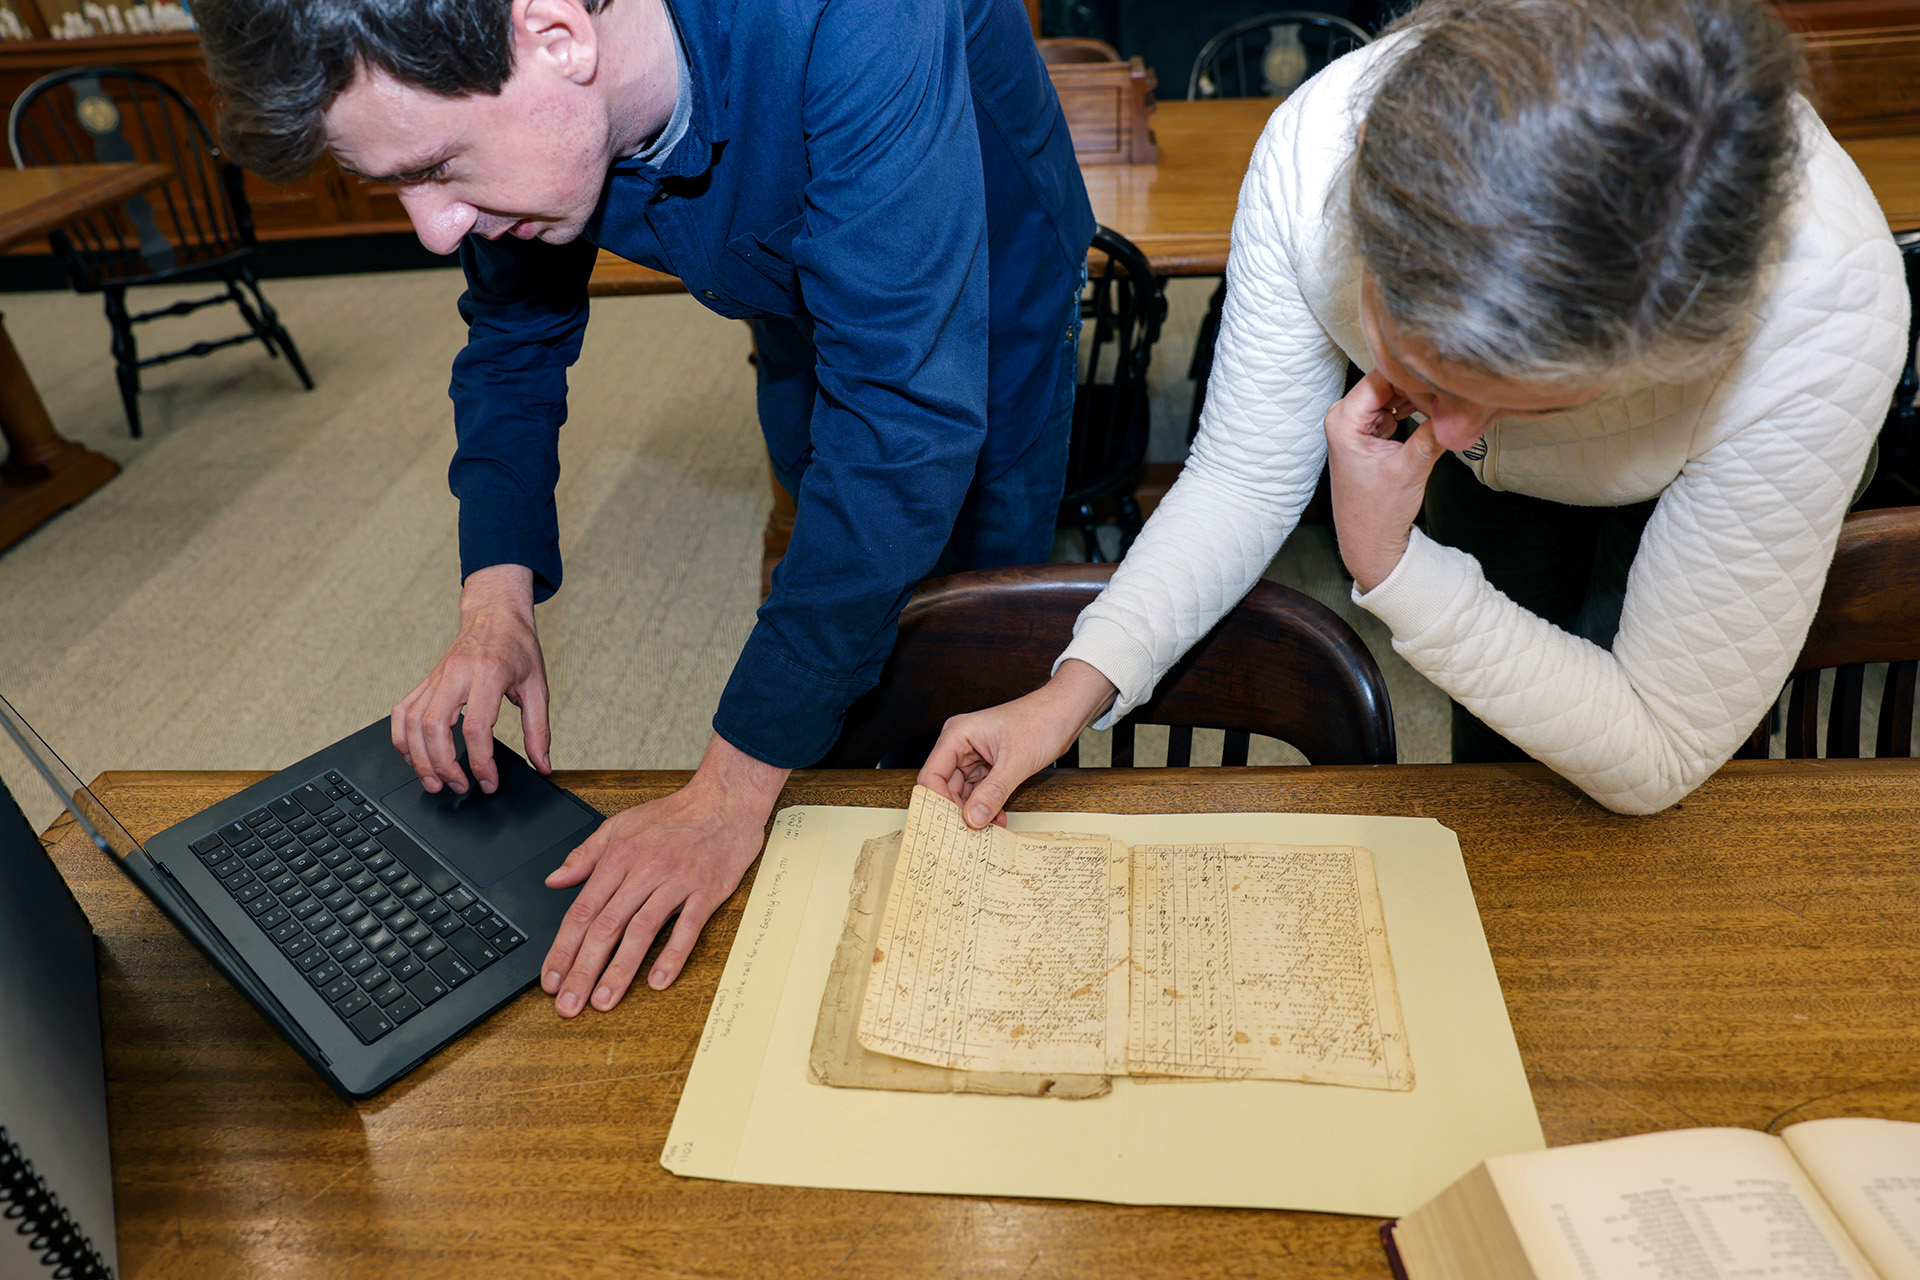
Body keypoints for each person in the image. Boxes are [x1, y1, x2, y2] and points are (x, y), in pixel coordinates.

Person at [193, 0, 1095, 1013]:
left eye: (438, 168)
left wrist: (727, 790)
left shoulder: (856, 18)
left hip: (987, 286)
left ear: (559, 37)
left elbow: (906, 422)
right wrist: (494, 602)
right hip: (785, 278)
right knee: (830, 551)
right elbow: (510, 339)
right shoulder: (499, 60)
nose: (437, 232)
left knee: (966, 626)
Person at [921, 0, 1908, 827]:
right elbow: (1242, 476)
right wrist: (1071, 691)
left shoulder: (1823, 310)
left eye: (1530, 399)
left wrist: (1396, 567)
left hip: (1690, 469)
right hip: (1529, 444)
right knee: (1506, 769)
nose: (1463, 436)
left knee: (1658, 814)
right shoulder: (1316, 156)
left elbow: (1657, 742)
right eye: (1426, 379)